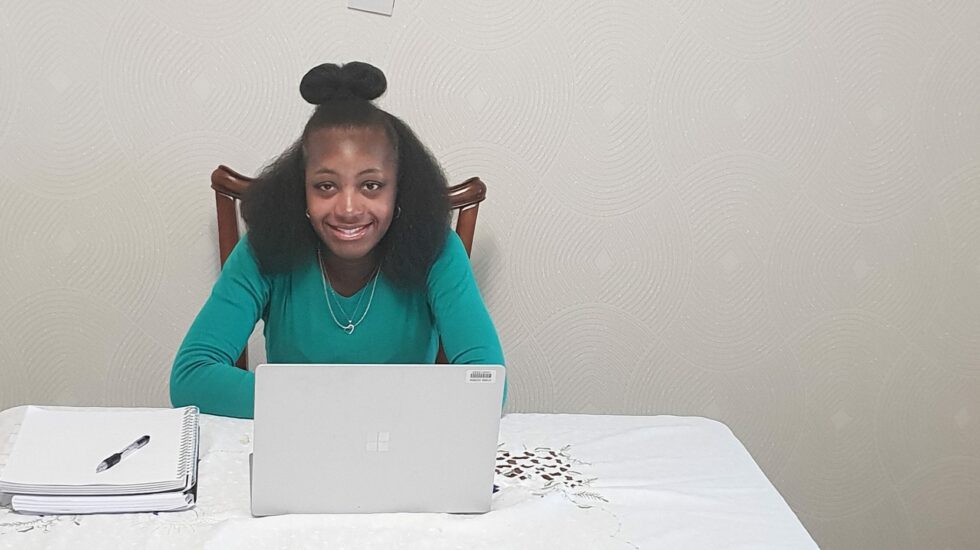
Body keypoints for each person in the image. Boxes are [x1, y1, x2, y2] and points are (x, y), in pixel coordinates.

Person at [170, 62, 504, 418]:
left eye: (371, 186)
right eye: (326, 186)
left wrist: (321, 403)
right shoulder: (264, 248)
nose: (347, 208)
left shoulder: (438, 250)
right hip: (296, 448)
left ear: (398, 190)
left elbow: (487, 385)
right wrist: (349, 406)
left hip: (398, 450)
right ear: (301, 190)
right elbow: (191, 377)